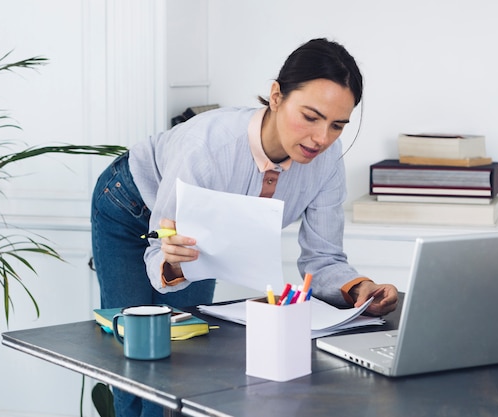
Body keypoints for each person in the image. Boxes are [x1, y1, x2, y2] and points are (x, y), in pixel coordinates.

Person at [91, 37, 398, 417]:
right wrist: (173, 261)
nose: (322, 138)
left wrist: (359, 289)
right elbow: (161, 257)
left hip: (191, 232)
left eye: (337, 125)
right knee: (132, 351)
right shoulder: (206, 148)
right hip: (127, 203)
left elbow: (323, 258)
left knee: (185, 356)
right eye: (310, 116)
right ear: (276, 95)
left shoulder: (327, 159)